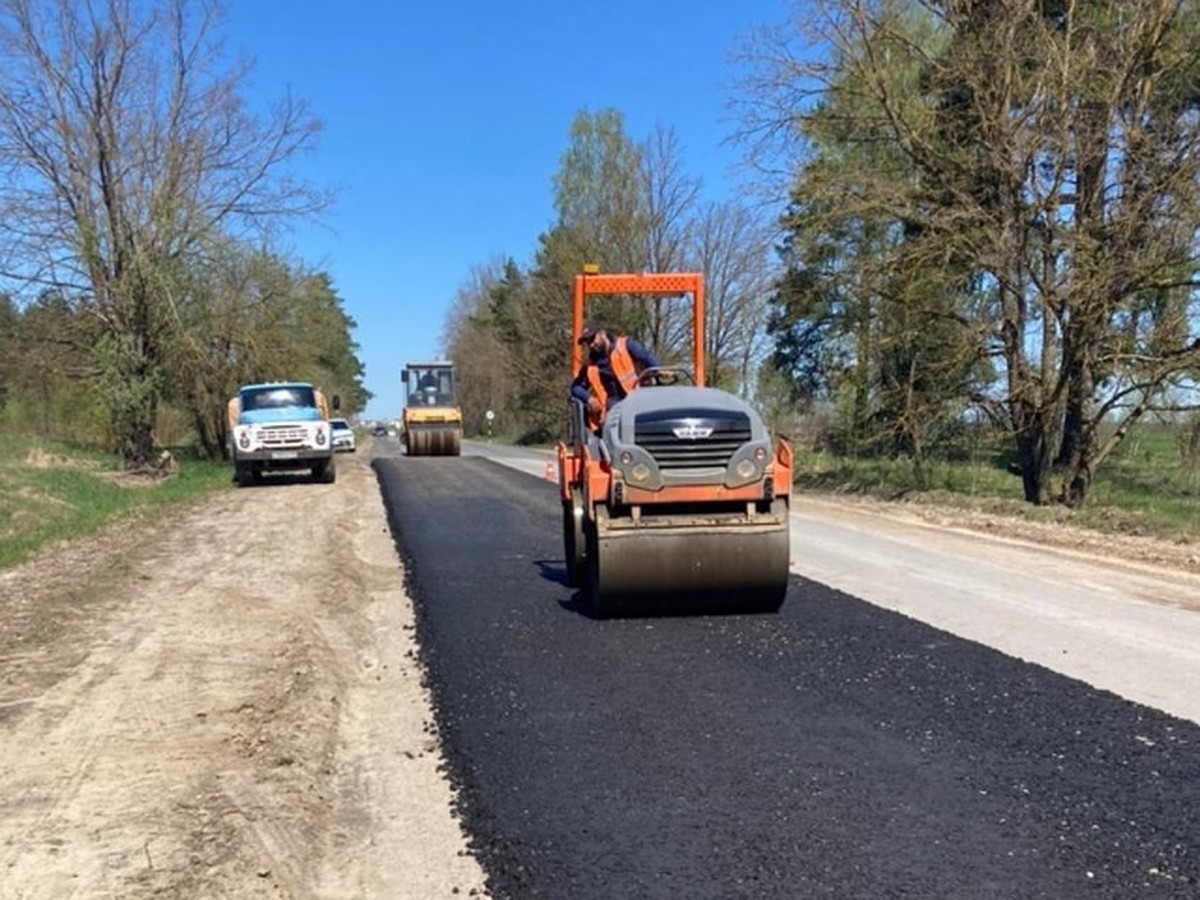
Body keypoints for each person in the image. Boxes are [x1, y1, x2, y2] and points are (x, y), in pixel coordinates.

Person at [570, 324, 660, 430]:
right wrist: (589, 398)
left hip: (638, 400)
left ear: (602, 334)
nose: (591, 345)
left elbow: (649, 359)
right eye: (587, 342)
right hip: (613, 408)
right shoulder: (591, 365)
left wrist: (660, 370)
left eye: (592, 339)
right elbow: (576, 388)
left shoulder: (626, 345)